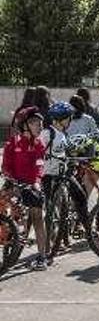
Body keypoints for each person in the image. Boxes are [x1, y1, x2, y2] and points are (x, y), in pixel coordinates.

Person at [2, 107, 49, 270]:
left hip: (31, 185)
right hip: (13, 184)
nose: (41, 127)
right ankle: (10, 241)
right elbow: (6, 167)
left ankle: (42, 256)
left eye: (41, 123)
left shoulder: (39, 144)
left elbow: (39, 166)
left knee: (37, 216)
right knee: (7, 210)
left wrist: (36, 181)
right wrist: (12, 181)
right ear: (25, 126)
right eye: (36, 123)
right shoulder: (12, 143)